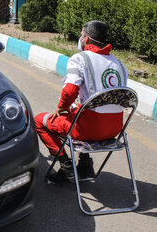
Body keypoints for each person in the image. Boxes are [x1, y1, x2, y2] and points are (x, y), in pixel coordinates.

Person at [35, 20, 128, 183]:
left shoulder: (80, 59)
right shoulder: (119, 64)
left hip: (88, 130)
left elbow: (70, 90)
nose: (80, 37)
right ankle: (85, 164)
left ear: (86, 38)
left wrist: (61, 107)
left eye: (81, 34)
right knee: (78, 111)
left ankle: (66, 167)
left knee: (39, 121)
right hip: (115, 129)